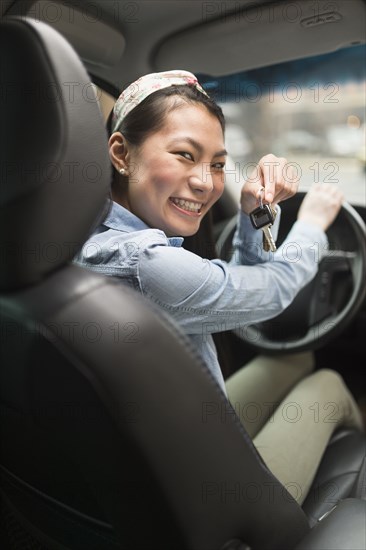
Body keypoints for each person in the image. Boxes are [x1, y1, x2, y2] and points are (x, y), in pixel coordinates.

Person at [74, 70, 363, 504]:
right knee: (329, 385)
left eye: (217, 164)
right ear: (120, 153)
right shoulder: (148, 265)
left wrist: (254, 214)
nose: (207, 183)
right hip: (215, 501)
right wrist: (312, 224)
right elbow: (275, 290)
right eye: (184, 155)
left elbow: (236, 291)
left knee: (294, 359)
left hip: (163, 458)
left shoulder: (80, 238)